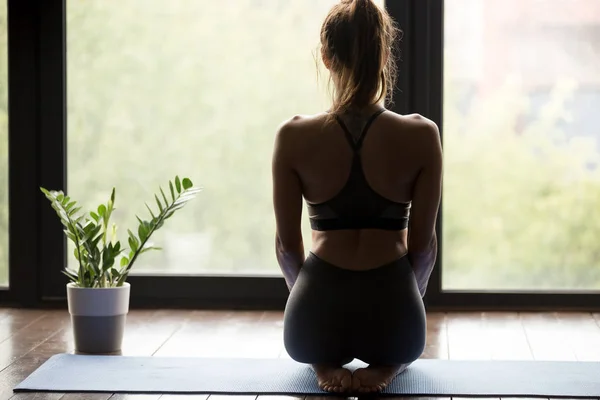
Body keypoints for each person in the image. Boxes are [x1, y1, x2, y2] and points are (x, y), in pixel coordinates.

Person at [271, 0, 442, 394]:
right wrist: (402, 306)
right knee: (399, 344)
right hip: (395, 317)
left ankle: (322, 363)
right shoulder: (421, 134)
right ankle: (388, 366)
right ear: (384, 54)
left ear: (327, 58)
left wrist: (311, 302)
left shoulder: (293, 136)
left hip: (313, 321)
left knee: (314, 336)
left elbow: (285, 249)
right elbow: (423, 249)